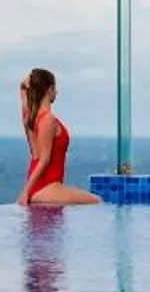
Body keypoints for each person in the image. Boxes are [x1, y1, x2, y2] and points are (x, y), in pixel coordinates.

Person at [19, 67, 101, 206]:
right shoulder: (47, 119)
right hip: (47, 186)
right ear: (50, 90)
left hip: (40, 187)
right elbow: (44, 160)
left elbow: (24, 105)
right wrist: (25, 192)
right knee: (97, 201)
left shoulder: (33, 119)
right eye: (55, 88)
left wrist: (23, 89)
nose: (56, 92)